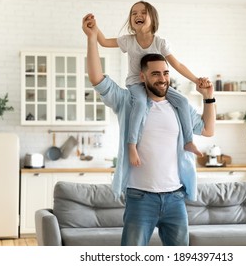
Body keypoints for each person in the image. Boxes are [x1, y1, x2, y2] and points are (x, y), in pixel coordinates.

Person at [83, 14, 216, 246]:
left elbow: (207, 130)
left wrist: (209, 97)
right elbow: (97, 78)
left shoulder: (178, 107)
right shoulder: (128, 103)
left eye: (165, 73)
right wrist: (92, 38)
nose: (162, 79)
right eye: (155, 74)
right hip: (140, 198)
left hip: (175, 198)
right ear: (142, 76)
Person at [87, 1, 209, 167]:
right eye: (134, 13)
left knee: (183, 101)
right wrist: (94, 28)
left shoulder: (160, 43)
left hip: (156, 85)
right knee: (140, 103)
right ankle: (131, 145)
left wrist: (196, 80)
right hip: (136, 85)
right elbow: (103, 42)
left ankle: (188, 141)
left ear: (153, 18)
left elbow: (177, 65)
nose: (138, 15)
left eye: (143, 12)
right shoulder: (128, 41)